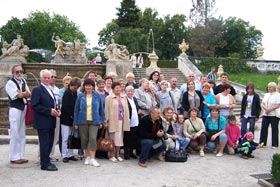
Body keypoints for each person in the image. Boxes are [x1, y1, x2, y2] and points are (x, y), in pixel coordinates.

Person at [31, 69, 61, 171]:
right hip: (43, 121)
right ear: (41, 78)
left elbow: (52, 103)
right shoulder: (37, 89)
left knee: (49, 142)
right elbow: (34, 105)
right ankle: (44, 164)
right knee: (44, 143)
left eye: (49, 77)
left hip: (51, 120)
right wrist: (49, 111)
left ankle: (46, 160)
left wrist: (57, 110)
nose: (47, 79)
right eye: (45, 77)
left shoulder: (50, 89)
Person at [73, 79, 104, 167]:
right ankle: (87, 156)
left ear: (93, 86)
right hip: (82, 120)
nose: (88, 87)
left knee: (93, 138)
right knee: (84, 139)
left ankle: (93, 158)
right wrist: (75, 122)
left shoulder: (97, 96)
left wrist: (101, 121)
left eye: (90, 85)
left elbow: (101, 110)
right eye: (86, 85)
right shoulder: (80, 96)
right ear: (84, 86)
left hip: (94, 121)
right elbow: (76, 110)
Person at [5, 64, 31, 164]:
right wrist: (22, 93)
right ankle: (14, 156)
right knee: (15, 132)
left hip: (23, 107)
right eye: (17, 72)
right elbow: (18, 95)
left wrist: (22, 93)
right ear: (13, 73)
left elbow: (28, 93)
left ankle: (21, 155)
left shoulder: (23, 81)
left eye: (21, 71)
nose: (20, 73)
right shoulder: (10, 83)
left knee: (22, 133)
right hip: (15, 109)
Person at [104, 81, 130, 162]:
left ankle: (118, 154)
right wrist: (106, 121)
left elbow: (126, 109)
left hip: (121, 120)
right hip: (112, 121)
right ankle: (111, 154)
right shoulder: (109, 98)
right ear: (113, 89)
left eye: (119, 87)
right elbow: (107, 110)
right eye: (116, 87)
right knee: (112, 138)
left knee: (119, 138)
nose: (118, 89)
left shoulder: (123, 97)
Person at [60, 77, 81, 163]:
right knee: (65, 137)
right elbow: (66, 107)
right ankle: (65, 155)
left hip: (72, 118)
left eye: (77, 87)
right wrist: (72, 115)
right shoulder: (67, 93)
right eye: (75, 87)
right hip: (66, 119)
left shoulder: (74, 92)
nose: (75, 89)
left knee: (71, 137)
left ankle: (70, 154)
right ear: (71, 85)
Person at [259, 82, 280, 148]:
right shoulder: (266, 94)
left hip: (274, 114)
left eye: (270, 87)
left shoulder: (277, 95)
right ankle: (262, 143)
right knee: (263, 128)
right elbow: (262, 103)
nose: (269, 88)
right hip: (266, 114)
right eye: (268, 87)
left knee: (274, 129)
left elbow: (277, 104)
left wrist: (269, 109)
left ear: (274, 88)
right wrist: (265, 108)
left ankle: (274, 144)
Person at [124, 86, 141, 160]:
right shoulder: (124, 99)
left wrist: (139, 110)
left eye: (131, 91)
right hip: (128, 120)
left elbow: (136, 107)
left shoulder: (134, 99)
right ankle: (126, 152)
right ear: (126, 92)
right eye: (129, 91)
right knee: (127, 137)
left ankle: (131, 151)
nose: (130, 92)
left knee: (133, 137)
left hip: (135, 119)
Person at [49, 69, 61, 162]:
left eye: (55, 77)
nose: (53, 78)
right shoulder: (45, 88)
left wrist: (59, 110)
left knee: (55, 136)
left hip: (56, 115)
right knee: (46, 137)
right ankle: (42, 155)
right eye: (51, 77)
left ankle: (51, 154)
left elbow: (58, 102)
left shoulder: (57, 89)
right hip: (47, 115)